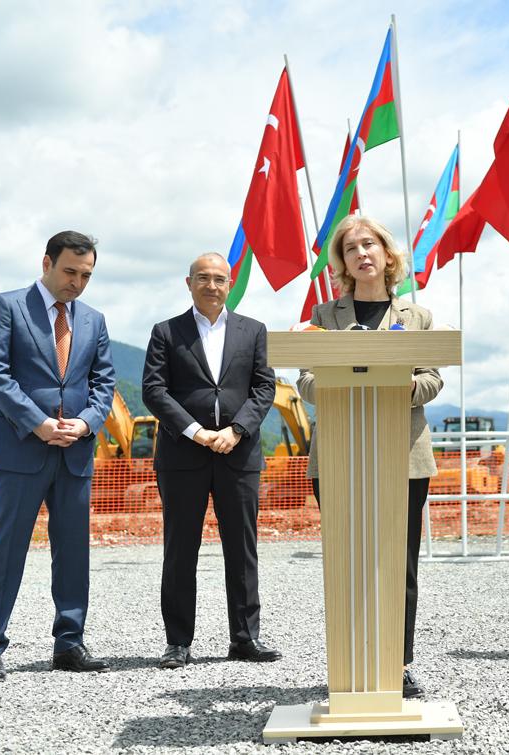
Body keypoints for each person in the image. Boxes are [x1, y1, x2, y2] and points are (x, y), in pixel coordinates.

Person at [296, 215, 443, 699]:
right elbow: (307, 382)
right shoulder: (323, 316)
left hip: (403, 457)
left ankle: (397, 663)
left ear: (386, 253)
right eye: (351, 248)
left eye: (369, 244)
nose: (361, 253)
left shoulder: (417, 316)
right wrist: (349, 377)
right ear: (342, 262)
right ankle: (349, 661)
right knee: (348, 561)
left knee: (398, 563)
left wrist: (396, 383)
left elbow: (432, 380)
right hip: (340, 454)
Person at [0, 231, 116, 683]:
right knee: (7, 550)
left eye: (86, 275)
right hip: (21, 449)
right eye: (70, 271)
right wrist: (38, 423)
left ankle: (69, 643)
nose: (77, 282)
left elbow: (104, 382)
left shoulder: (94, 320)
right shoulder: (7, 306)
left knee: (73, 552)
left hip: (75, 451)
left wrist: (87, 423)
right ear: (47, 263)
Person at [142, 252, 278, 669]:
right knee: (180, 550)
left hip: (239, 453)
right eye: (203, 278)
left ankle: (245, 638)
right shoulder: (166, 332)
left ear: (229, 285)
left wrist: (236, 430)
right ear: (189, 283)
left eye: (220, 279)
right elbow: (154, 390)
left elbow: (264, 388)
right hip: (183, 454)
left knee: (242, 549)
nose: (212, 286)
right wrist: (196, 431)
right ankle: (178, 642)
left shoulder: (253, 330)